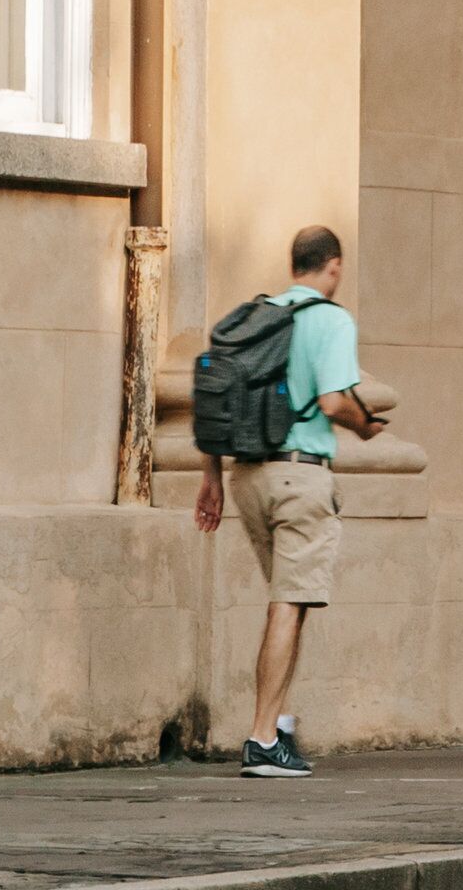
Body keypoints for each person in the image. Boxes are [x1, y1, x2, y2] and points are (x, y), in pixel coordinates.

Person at [193, 223, 382, 777]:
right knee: (290, 603)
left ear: (293, 263)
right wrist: (367, 424)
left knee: (288, 603)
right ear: (334, 265)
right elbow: (331, 401)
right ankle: (260, 739)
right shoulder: (330, 318)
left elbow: (216, 398)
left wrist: (210, 478)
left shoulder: (255, 317)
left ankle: (276, 727)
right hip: (300, 477)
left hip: (247, 477)